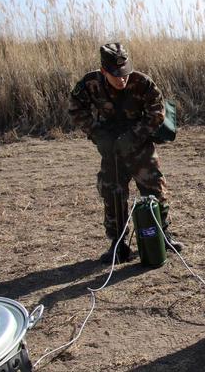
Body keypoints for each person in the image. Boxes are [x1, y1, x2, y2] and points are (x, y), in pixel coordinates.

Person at [68, 42, 183, 263]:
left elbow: (157, 112)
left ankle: (162, 235)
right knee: (113, 194)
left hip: (139, 146)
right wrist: (97, 135)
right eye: (115, 75)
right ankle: (118, 244)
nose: (122, 79)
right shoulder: (90, 84)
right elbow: (76, 108)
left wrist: (134, 136)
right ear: (104, 71)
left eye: (125, 73)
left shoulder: (143, 82)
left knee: (155, 189)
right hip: (111, 149)